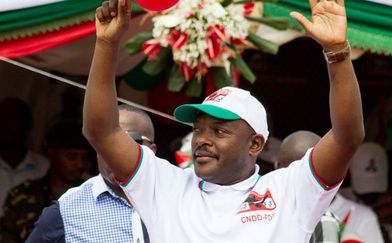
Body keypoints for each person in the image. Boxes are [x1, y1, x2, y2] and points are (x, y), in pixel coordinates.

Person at [83, 0, 364, 242]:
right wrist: (106, 44)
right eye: (197, 130)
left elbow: (346, 138)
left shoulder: (290, 190)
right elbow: (102, 132)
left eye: (219, 131)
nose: (201, 140)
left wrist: (337, 52)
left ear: (255, 144)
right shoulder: (164, 185)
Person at [26, 105, 154, 243]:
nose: (115, 151)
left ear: (151, 151)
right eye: (105, 141)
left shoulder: (177, 197)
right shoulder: (65, 211)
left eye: (129, 141)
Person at [277, 131, 384, 243]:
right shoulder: (266, 213)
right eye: (294, 169)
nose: (305, 178)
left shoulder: (362, 218)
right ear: (277, 168)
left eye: (311, 170)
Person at [0, 120, 91, 242]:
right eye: (71, 156)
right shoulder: (22, 195)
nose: (80, 164)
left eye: (84, 158)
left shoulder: (94, 194)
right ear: (51, 153)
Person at [0, 97, 50, 213]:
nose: (4, 124)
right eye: (0, 117)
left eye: (11, 118)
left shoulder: (45, 168)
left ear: (28, 123)